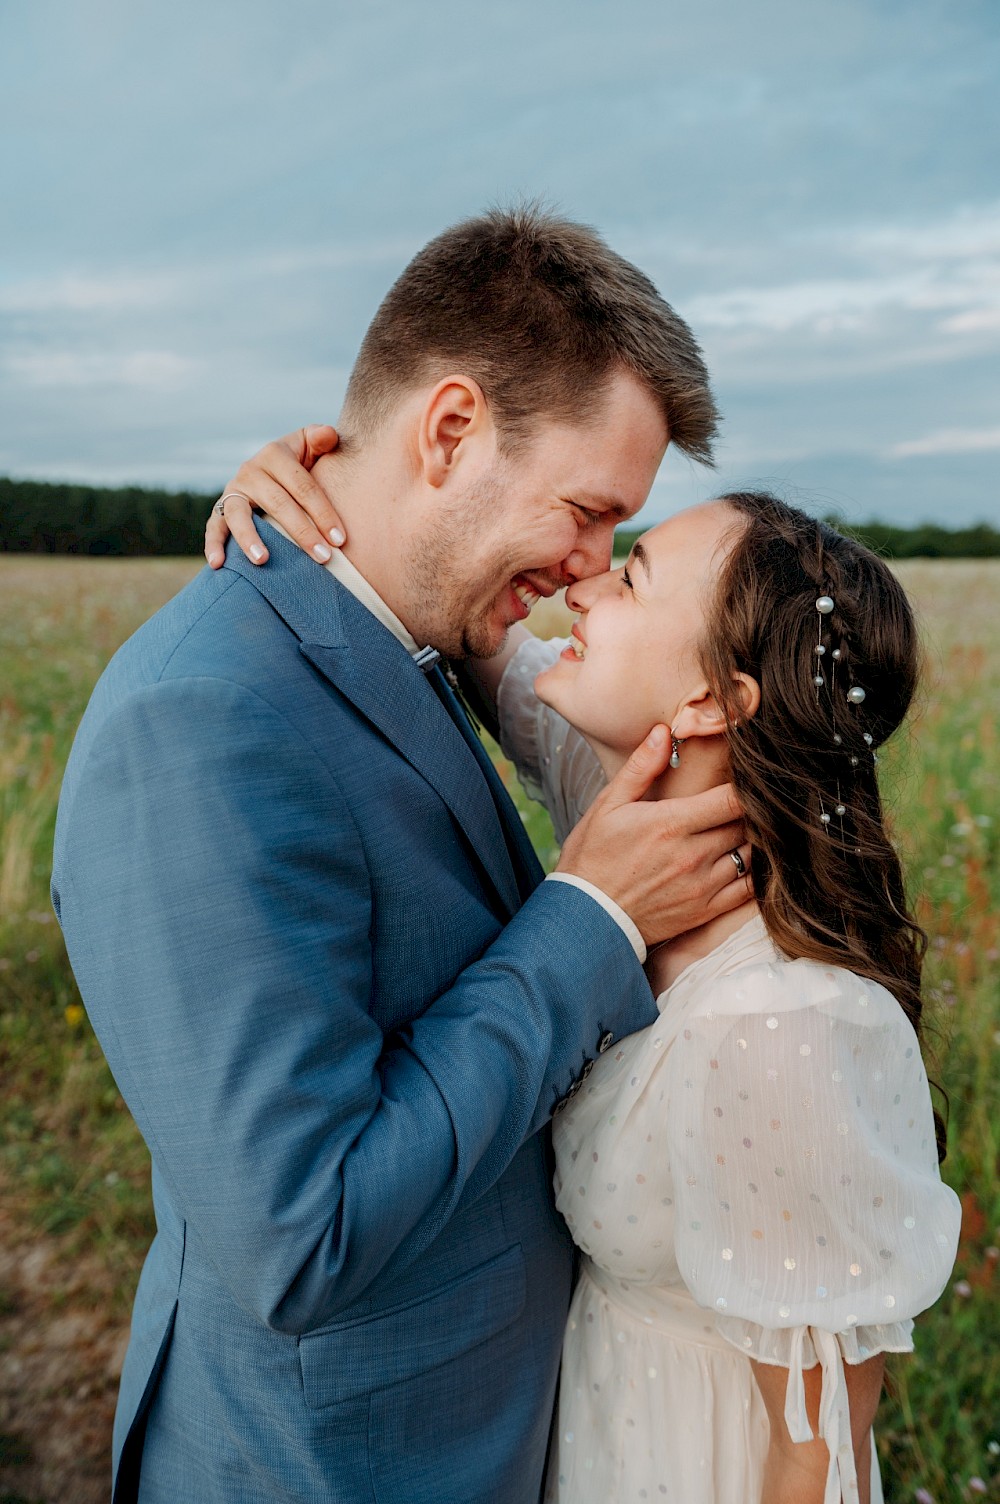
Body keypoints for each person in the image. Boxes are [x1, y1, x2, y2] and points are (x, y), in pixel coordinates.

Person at [51, 207, 753, 1504]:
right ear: (448, 431)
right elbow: (299, 1237)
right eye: (589, 513)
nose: (590, 571)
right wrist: (587, 916)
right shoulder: (201, 721)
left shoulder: (407, 637)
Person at [218, 484, 960, 1503]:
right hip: (594, 1433)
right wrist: (309, 487)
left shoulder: (780, 1021)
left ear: (708, 701)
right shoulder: (619, 817)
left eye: (634, 573)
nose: (586, 580)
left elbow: (818, 1445)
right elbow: (473, 630)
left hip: (694, 1464)